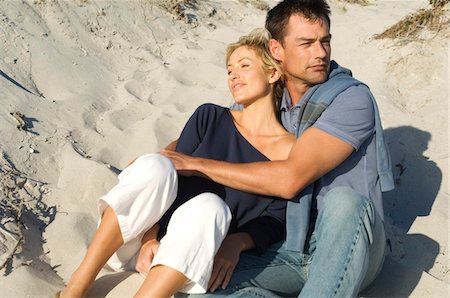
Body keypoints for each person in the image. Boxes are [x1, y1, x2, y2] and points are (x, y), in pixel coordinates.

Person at [161, 0, 395, 297]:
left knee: (344, 202)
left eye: (325, 41)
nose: (320, 53)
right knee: (198, 283)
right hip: (286, 247)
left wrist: (195, 164)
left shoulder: (351, 99)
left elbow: (290, 179)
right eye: (307, 43)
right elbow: (221, 133)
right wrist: (167, 158)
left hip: (351, 246)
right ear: (276, 50)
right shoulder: (269, 95)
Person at [60, 29, 295, 298]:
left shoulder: (290, 150)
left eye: (244, 66)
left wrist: (236, 243)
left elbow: (275, 219)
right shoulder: (211, 117)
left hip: (187, 259)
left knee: (212, 206)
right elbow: (171, 180)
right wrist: (150, 236)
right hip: (136, 236)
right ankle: (77, 285)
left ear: (273, 74)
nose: (233, 76)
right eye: (229, 70)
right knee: (157, 166)